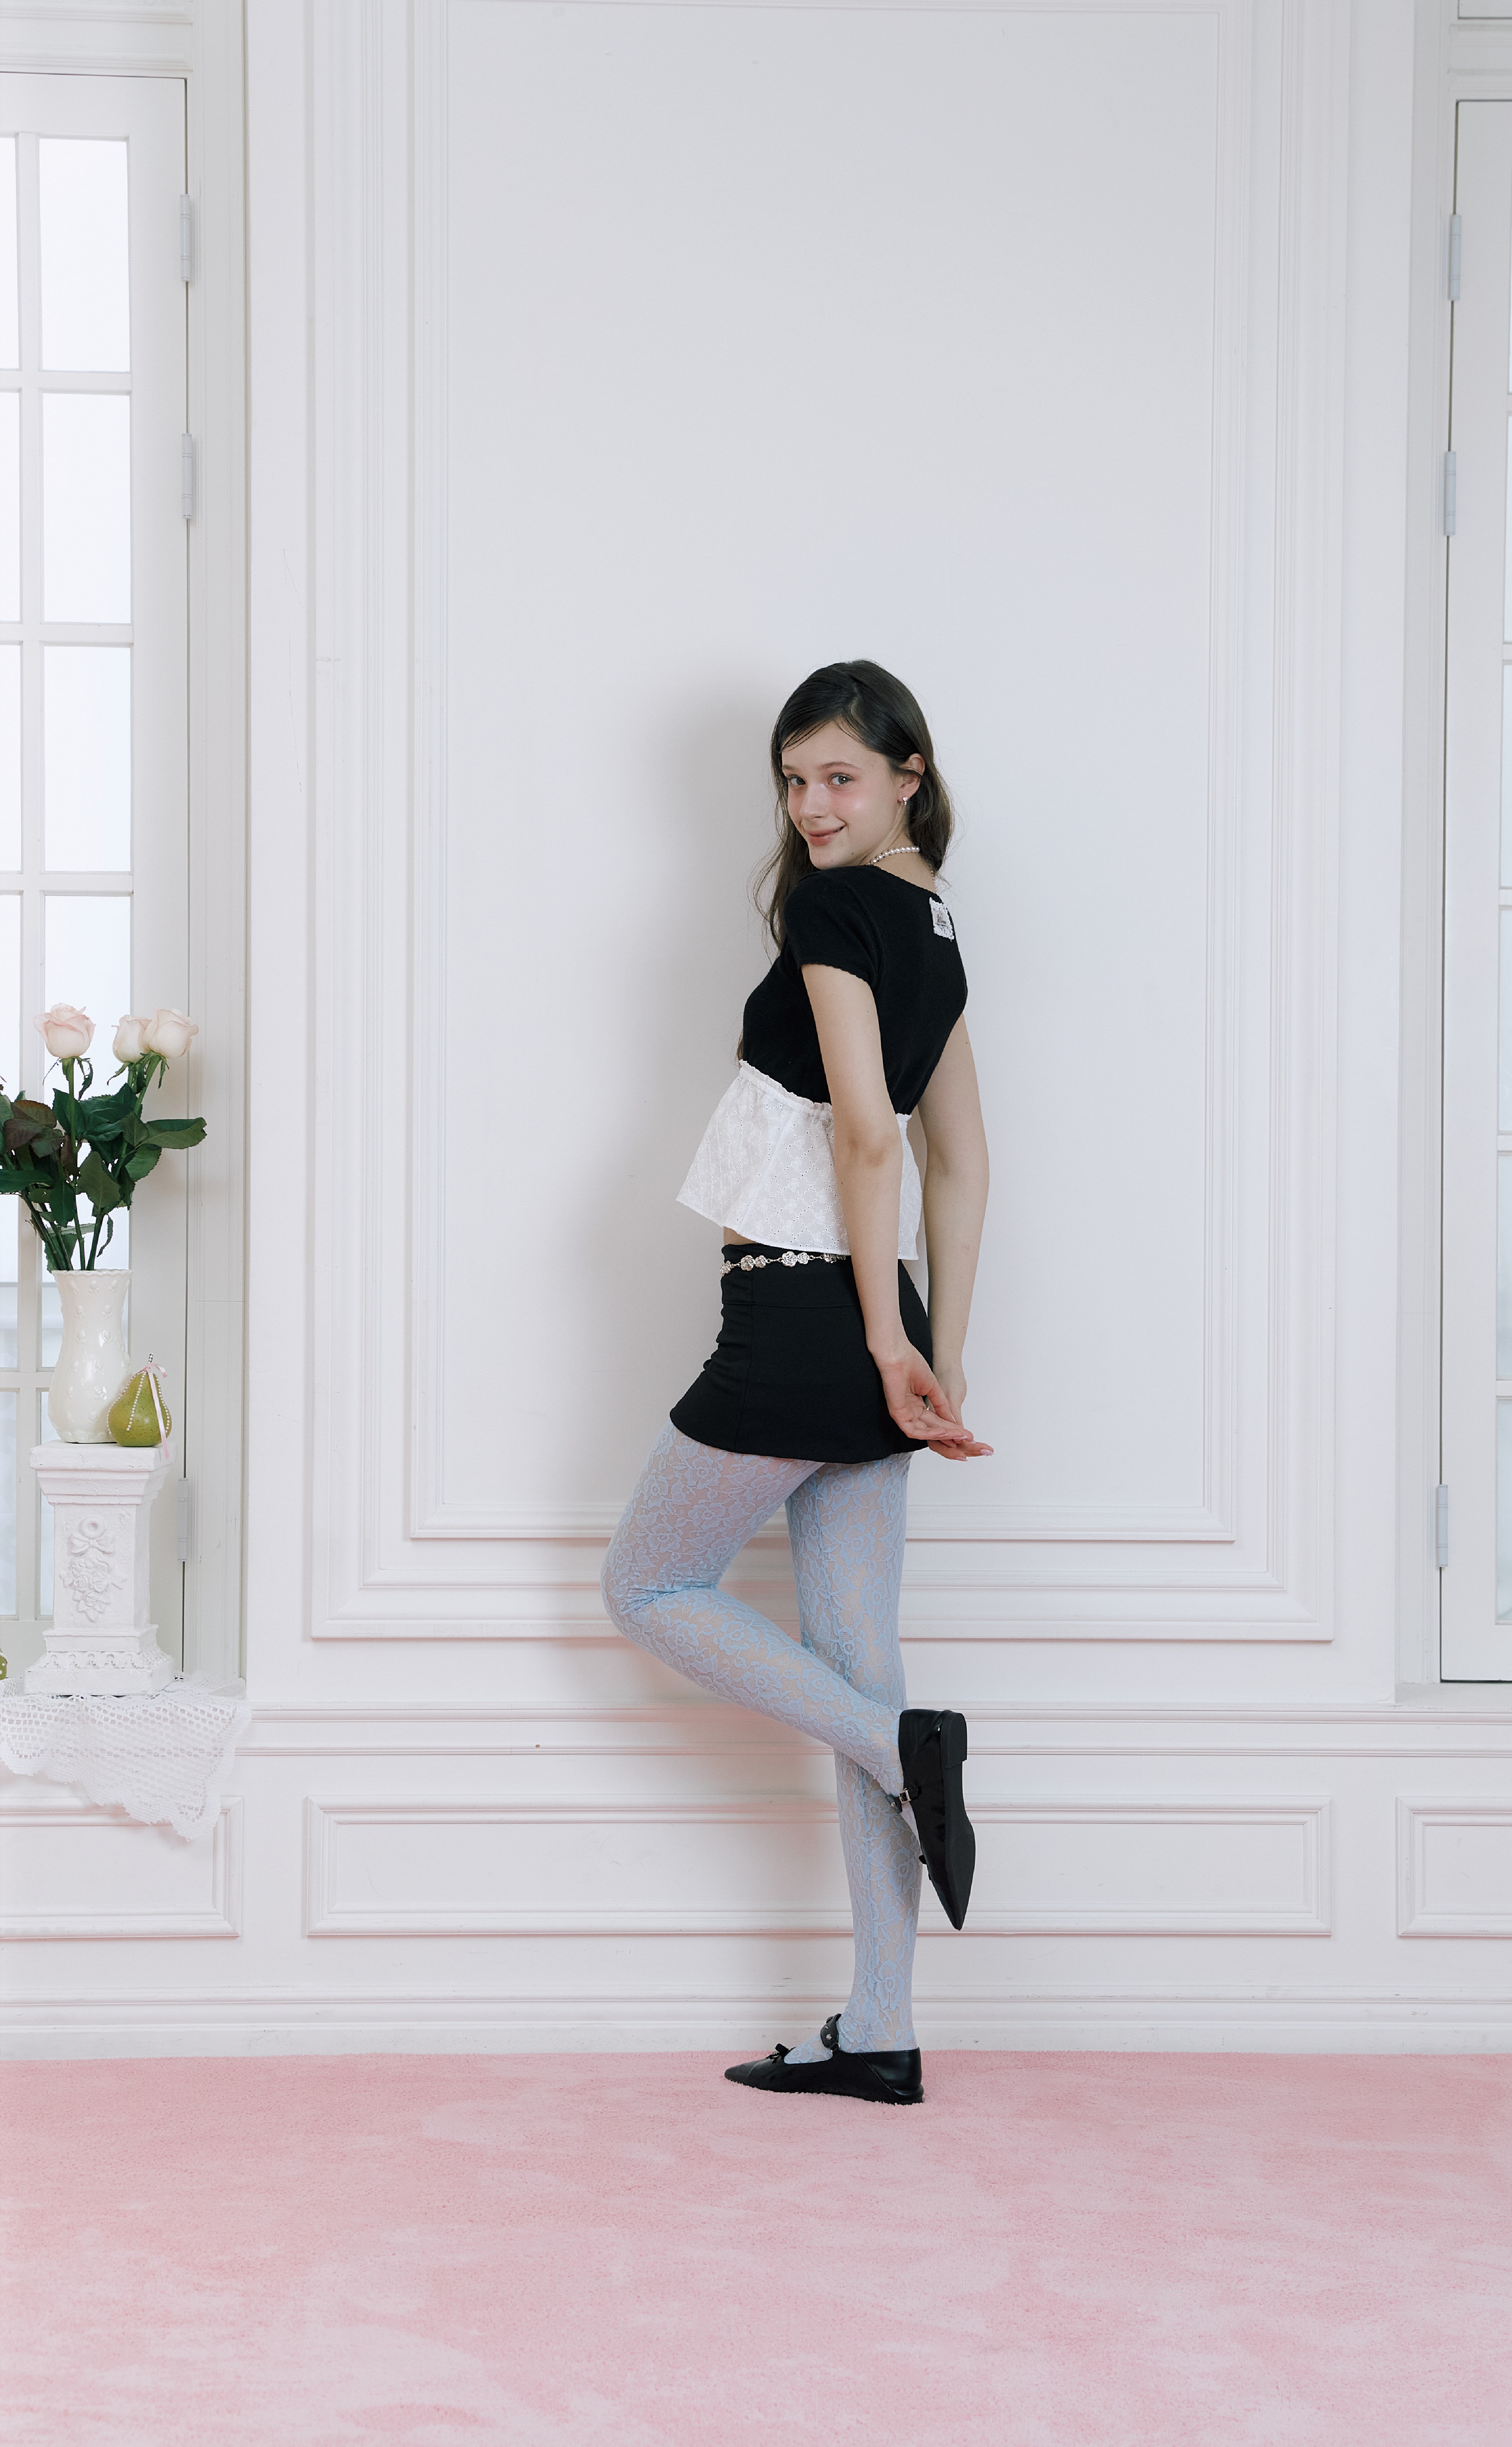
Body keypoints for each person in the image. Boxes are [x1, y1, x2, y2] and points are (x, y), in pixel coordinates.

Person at [601, 659, 991, 2107]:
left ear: (907, 774)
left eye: (840, 776)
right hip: (876, 1323)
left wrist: (893, 1347)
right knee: (857, 1665)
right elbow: (966, 1160)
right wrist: (937, 1346)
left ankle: (906, 1749)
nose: (812, 807)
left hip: (801, 1317)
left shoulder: (836, 912)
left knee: (649, 1587)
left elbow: (874, 1138)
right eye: (793, 780)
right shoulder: (935, 926)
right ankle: (881, 2027)